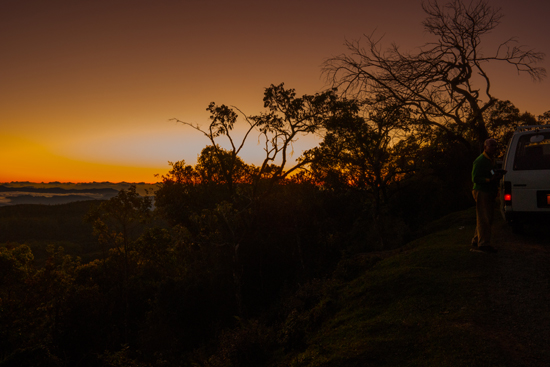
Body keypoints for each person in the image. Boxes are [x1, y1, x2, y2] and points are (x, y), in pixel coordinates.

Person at [471, 138, 503, 253]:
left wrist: (497, 175)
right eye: (491, 145)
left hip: (488, 191)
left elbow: (491, 172)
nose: (494, 148)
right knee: (485, 218)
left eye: (495, 145)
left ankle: (476, 239)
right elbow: (475, 178)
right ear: (485, 147)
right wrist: (489, 180)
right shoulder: (480, 161)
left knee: (484, 217)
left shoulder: (491, 160)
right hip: (482, 191)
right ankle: (484, 244)